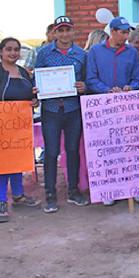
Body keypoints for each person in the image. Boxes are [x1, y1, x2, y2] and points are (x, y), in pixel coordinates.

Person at [0, 38, 41, 222]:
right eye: (9, 49)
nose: (13, 53)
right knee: (1, 164)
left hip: (20, 126)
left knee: (18, 161)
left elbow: (30, 97)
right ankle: (2, 201)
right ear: (1, 52)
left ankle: (19, 195)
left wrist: (34, 102)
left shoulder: (23, 72)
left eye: (16, 50)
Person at [34, 16, 89, 213]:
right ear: (54, 33)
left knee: (73, 150)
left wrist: (84, 86)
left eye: (68, 30)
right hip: (51, 110)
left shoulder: (81, 54)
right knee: (51, 152)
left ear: (73, 32)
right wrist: (37, 90)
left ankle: (73, 190)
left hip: (73, 109)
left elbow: (86, 80)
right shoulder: (44, 54)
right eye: (60, 30)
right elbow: (37, 78)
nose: (64, 34)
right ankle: (50, 193)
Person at [86, 16, 139, 205]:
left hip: (127, 108)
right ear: (113, 31)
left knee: (130, 148)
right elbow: (91, 79)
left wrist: (130, 87)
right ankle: (110, 189)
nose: (126, 36)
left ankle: (134, 187)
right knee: (108, 150)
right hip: (104, 108)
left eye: (128, 32)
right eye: (123, 32)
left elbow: (138, 78)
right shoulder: (95, 52)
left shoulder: (131, 53)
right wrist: (107, 90)